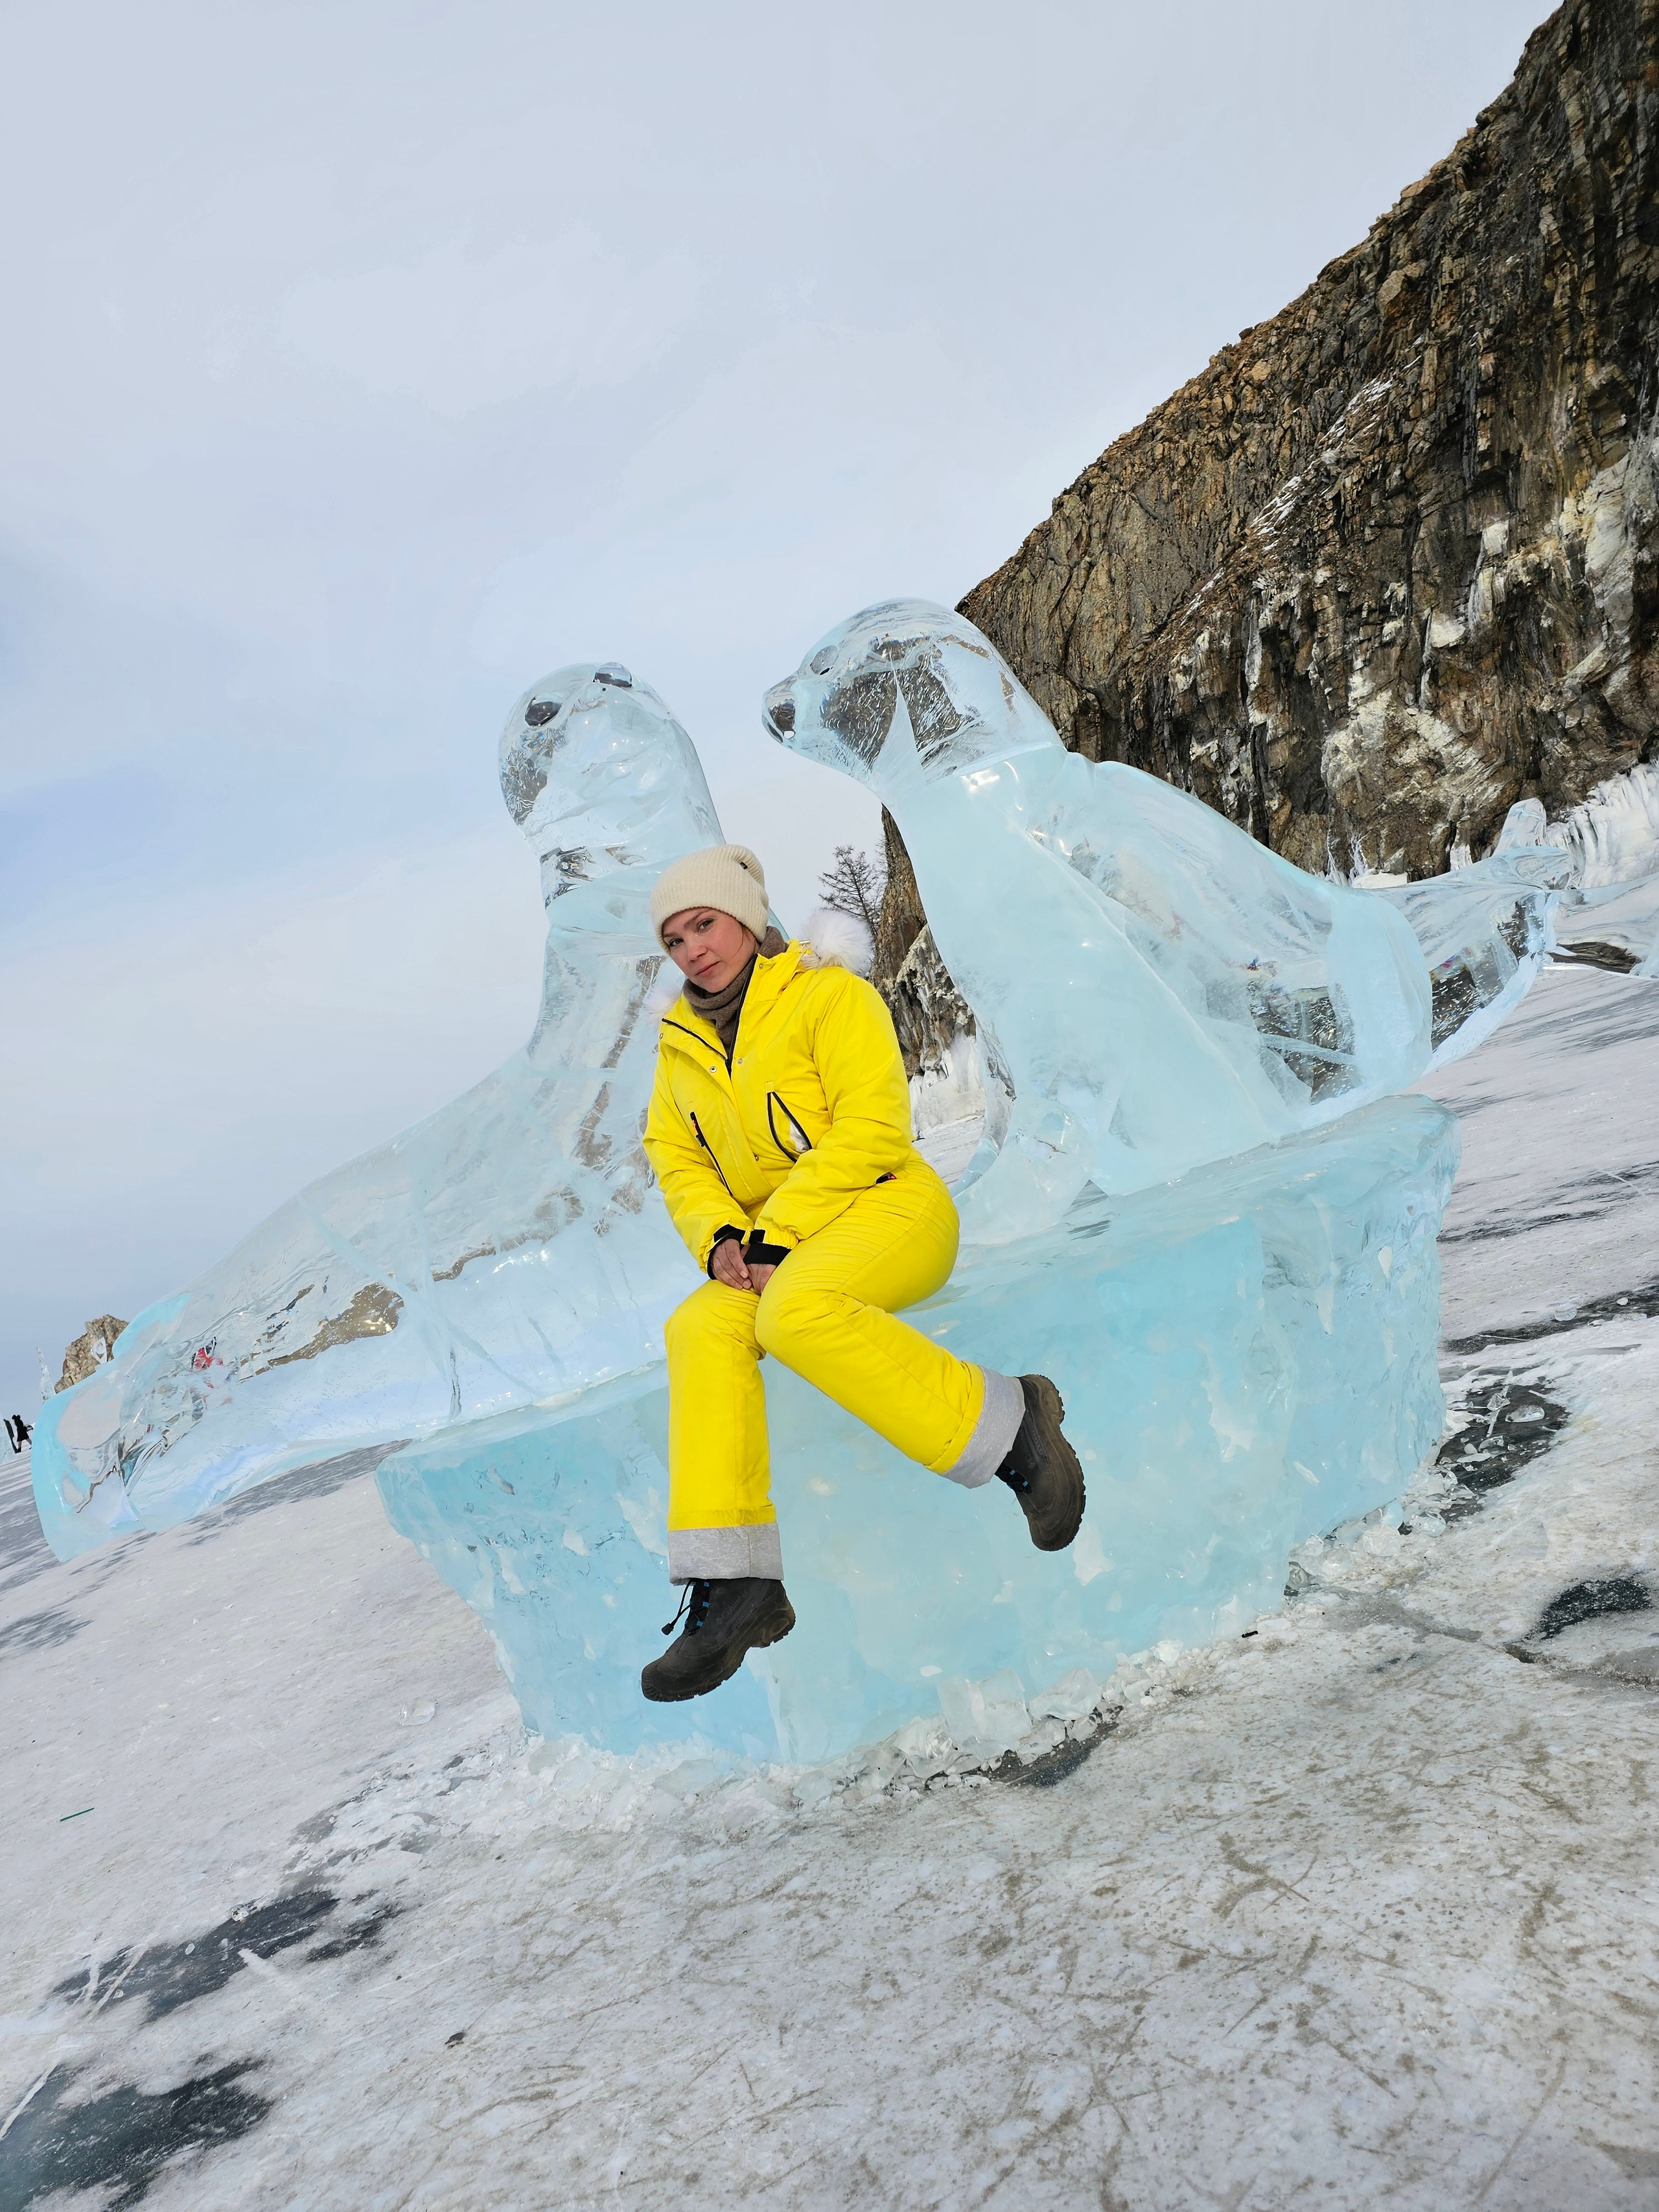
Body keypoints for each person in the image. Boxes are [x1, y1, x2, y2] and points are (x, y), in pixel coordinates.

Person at [639, 843, 1086, 1703]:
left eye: (705, 923)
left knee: (794, 1312)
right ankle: (738, 1585)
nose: (694, 948)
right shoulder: (677, 1052)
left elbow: (872, 1128)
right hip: (777, 1245)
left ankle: (1016, 1424)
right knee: (696, 1325)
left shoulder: (827, 996)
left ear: (744, 916)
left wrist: (777, 1233)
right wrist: (722, 1238)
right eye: (675, 939)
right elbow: (677, 1161)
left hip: (889, 1209)